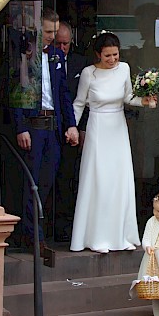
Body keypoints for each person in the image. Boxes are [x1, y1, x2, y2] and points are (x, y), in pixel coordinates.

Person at [70, 32, 157, 252]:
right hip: (97, 128)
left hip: (118, 128)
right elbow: (79, 103)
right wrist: (72, 126)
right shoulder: (89, 74)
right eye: (107, 55)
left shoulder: (125, 69)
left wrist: (144, 101)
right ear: (98, 54)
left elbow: (128, 96)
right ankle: (96, 237)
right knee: (99, 181)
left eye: (115, 54)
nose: (112, 59)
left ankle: (121, 236)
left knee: (119, 181)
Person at [11, 8, 79, 252]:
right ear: (37, 29)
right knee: (33, 183)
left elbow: (63, 94)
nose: (51, 36)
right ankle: (33, 236)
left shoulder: (57, 57)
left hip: (53, 126)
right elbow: (17, 91)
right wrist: (21, 127)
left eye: (54, 31)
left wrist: (71, 124)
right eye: (48, 31)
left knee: (48, 181)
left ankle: (41, 231)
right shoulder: (24, 55)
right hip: (33, 126)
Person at [54, 21, 88, 241]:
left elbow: (86, 100)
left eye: (66, 43)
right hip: (53, 127)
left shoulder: (80, 64)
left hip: (77, 131)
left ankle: (69, 226)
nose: (63, 47)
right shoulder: (45, 60)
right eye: (59, 43)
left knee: (73, 177)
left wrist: (80, 128)